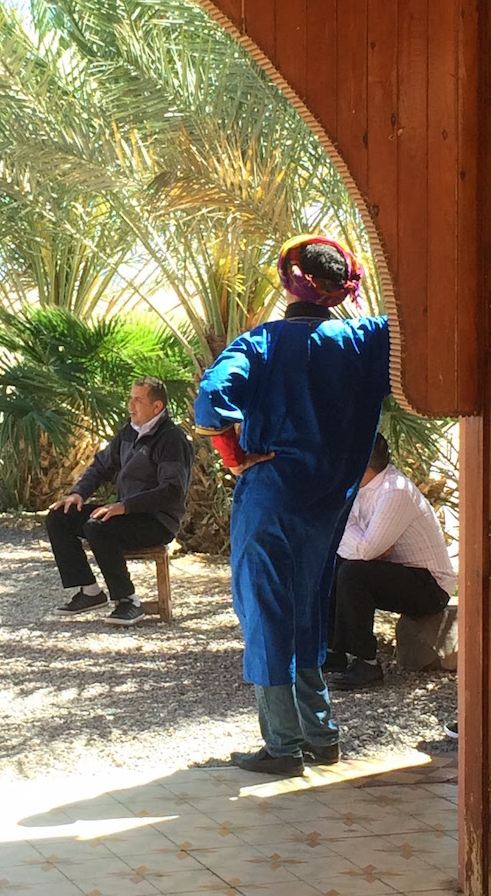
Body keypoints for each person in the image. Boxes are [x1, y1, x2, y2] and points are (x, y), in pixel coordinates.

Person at [195, 234, 390, 776]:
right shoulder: (369, 340)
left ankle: (282, 746)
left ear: (288, 281)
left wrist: (236, 455)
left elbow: (211, 404)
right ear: (342, 287)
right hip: (329, 501)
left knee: (265, 611)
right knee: (309, 609)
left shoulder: (262, 343)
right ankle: (321, 735)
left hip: (271, 496)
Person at [45, 378, 194, 626]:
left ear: (157, 407)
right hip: (125, 513)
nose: (130, 406)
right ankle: (90, 591)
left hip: (156, 521)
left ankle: (129, 602)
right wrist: (78, 493)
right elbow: (102, 466)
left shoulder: (172, 439)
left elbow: (172, 490)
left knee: (98, 526)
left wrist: (125, 506)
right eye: (130, 398)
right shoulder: (128, 432)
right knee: (60, 516)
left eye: (138, 400)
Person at [326, 433, 456, 689]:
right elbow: (362, 546)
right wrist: (356, 539)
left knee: (353, 573)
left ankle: (367, 664)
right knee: (336, 565)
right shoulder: (364, 487)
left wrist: (346, 528)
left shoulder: (394, 491)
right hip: (397, 573)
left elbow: (364, 549)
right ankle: (334, 651)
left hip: (430, 586)